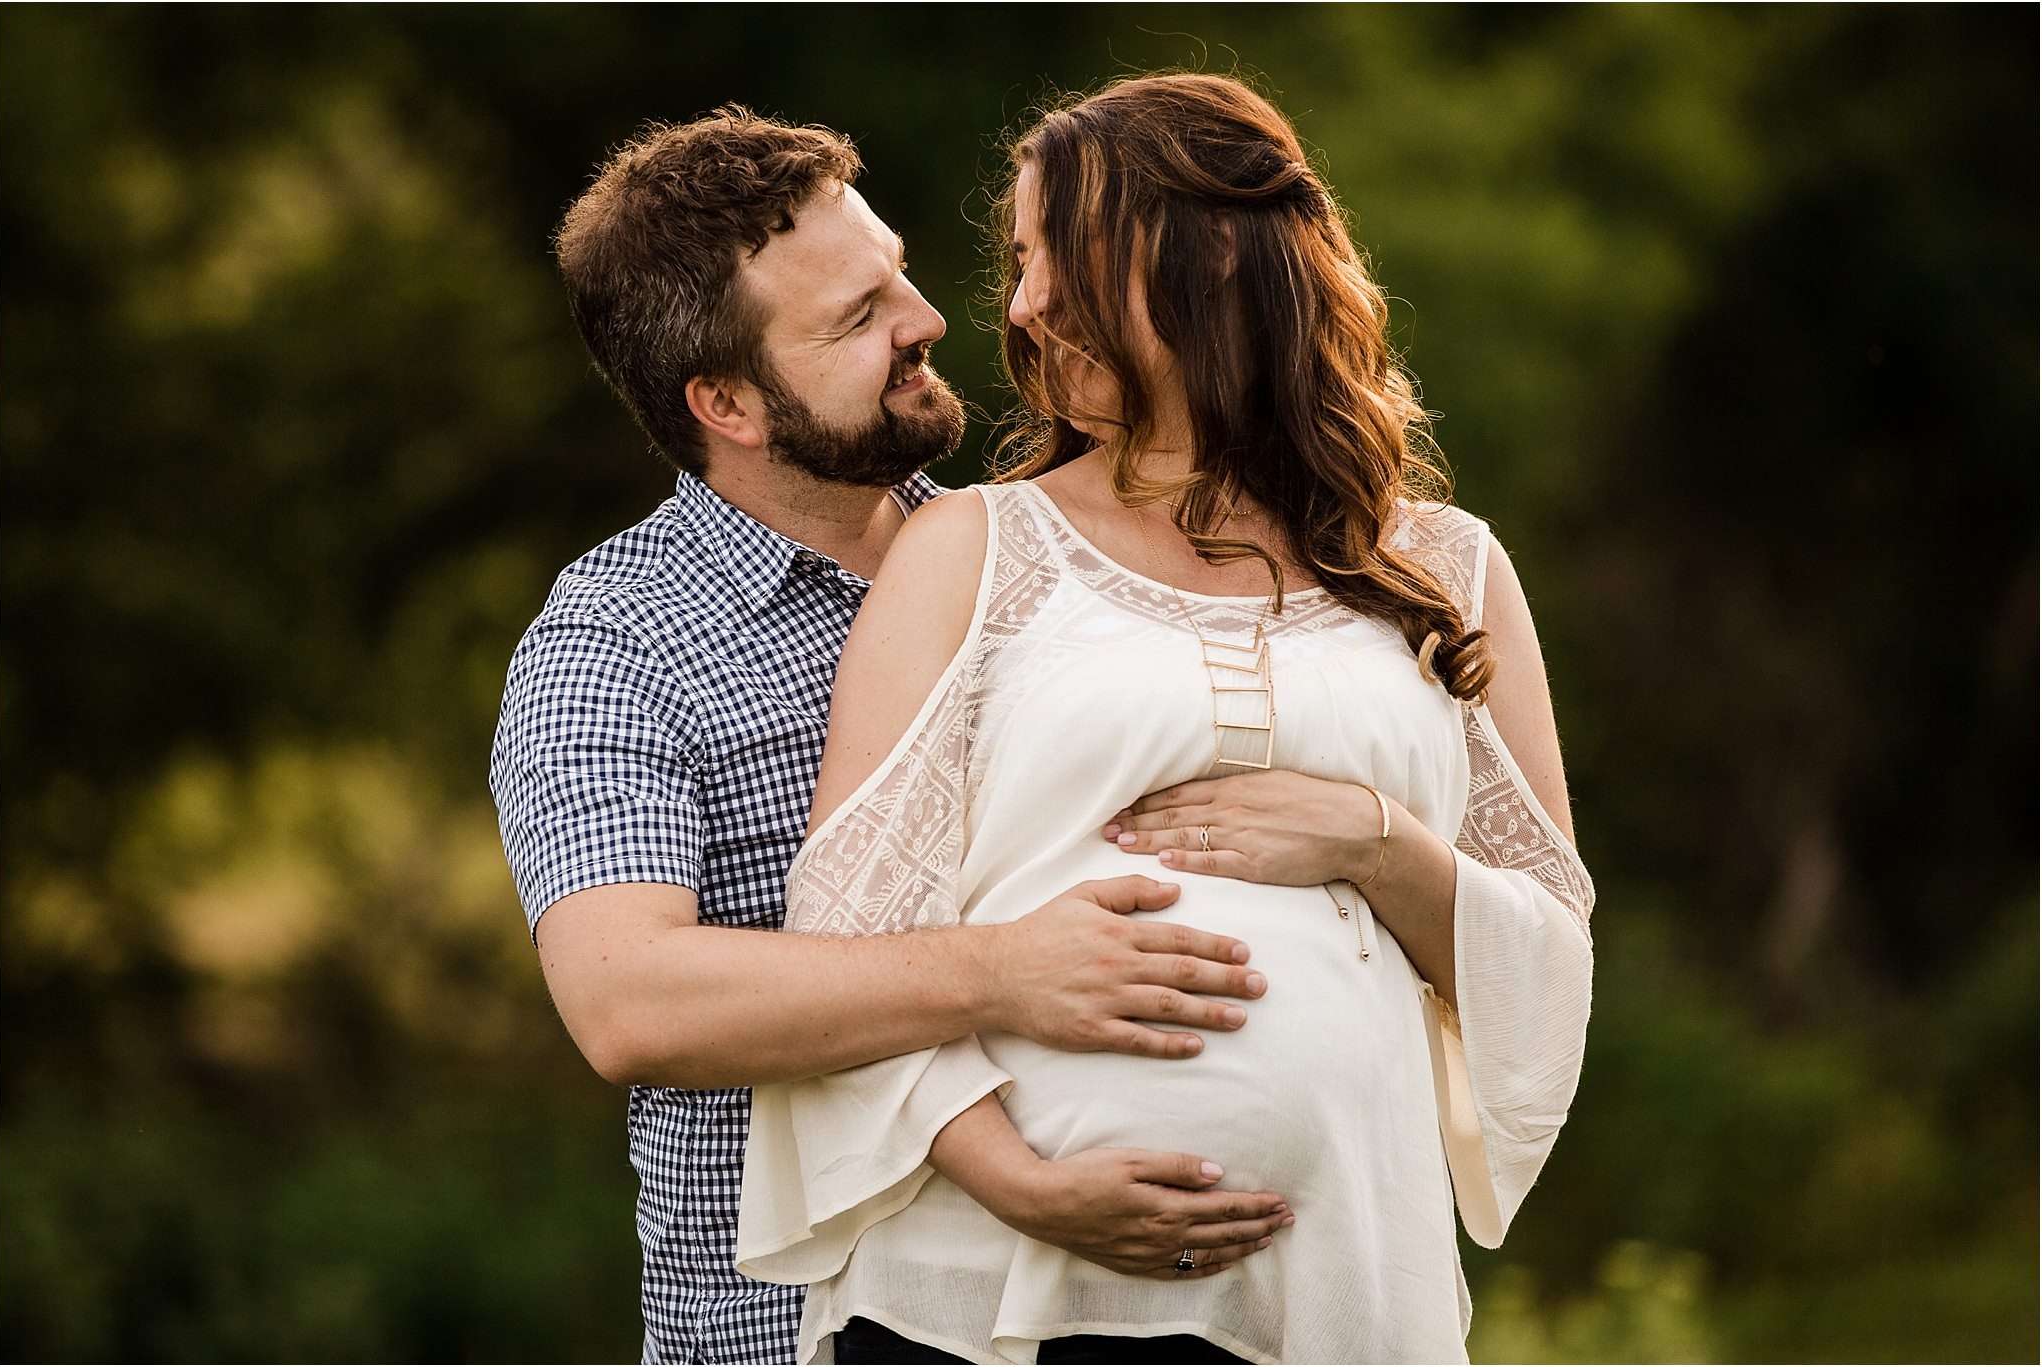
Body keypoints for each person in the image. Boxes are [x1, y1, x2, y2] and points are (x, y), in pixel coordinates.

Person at [734, 74, 1596, 1364]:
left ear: (1198, 262)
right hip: (987, 1294)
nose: (1019, 305)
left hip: (1331, 1291)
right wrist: (1017, 1177)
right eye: (1016, 262)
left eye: (1053, 258)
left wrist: (1372, 840)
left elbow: (1546, 955)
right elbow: (850, 927)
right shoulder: (972, 544)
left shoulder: (1442, 568)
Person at [489, 109, 1301, 1365]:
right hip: (791, 1333)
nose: (925, 320)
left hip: (1107, 1321)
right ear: (727, 403)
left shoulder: (1029, 545)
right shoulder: (617, 643)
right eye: (855, 319)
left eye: (897, 273)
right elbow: (627, 1000)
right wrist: (1002, 969)